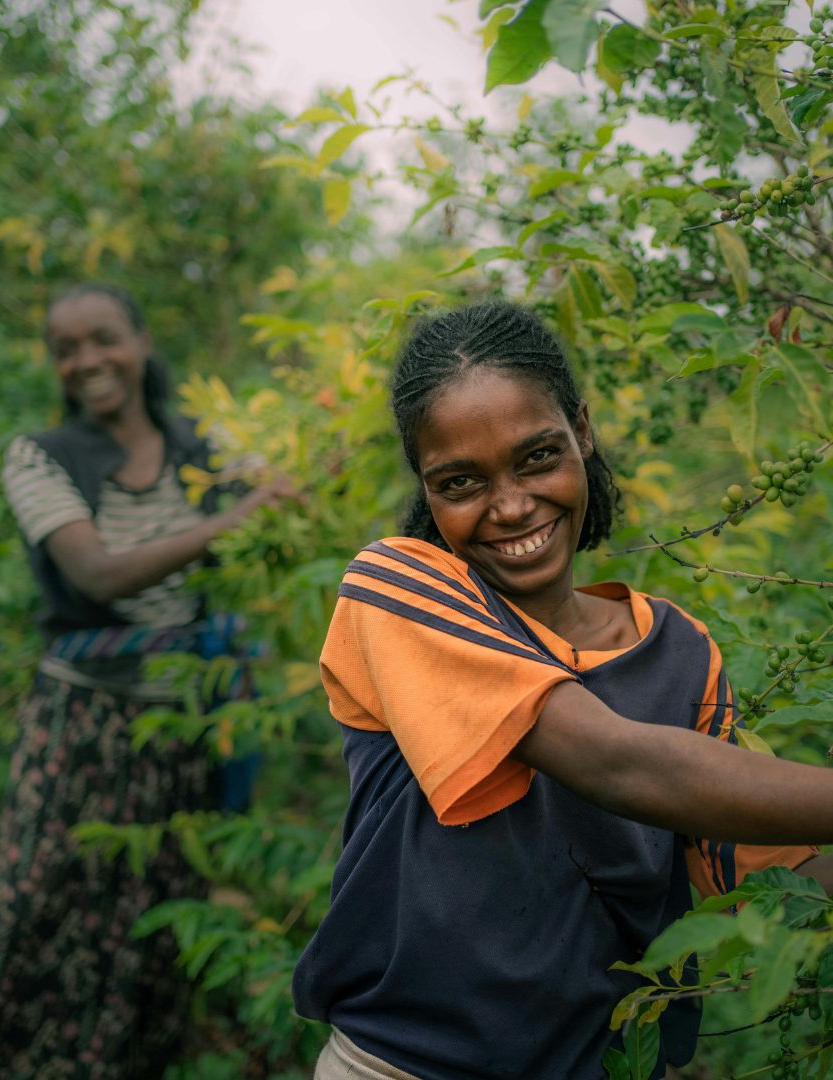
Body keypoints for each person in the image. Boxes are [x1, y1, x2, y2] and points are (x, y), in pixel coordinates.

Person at [292, 300, 833, 1080]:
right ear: (425, 488)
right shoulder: (398, 593)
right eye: (460, 482)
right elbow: (619, 762)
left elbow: (766, 875)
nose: (511, 505)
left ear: (582, 430)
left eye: (538, 456)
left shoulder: (680, 651)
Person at [0, 282, 293, 1079]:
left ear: (141, 341)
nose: (87, 359)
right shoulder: (40, 456)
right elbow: (96, 574)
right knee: (40, 907)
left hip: (183, 723)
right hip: (81, 724)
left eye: (103, 339)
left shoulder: (206, 446)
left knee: (154, 917)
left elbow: (289, 502)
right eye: (67, 349)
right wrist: (239, 515)